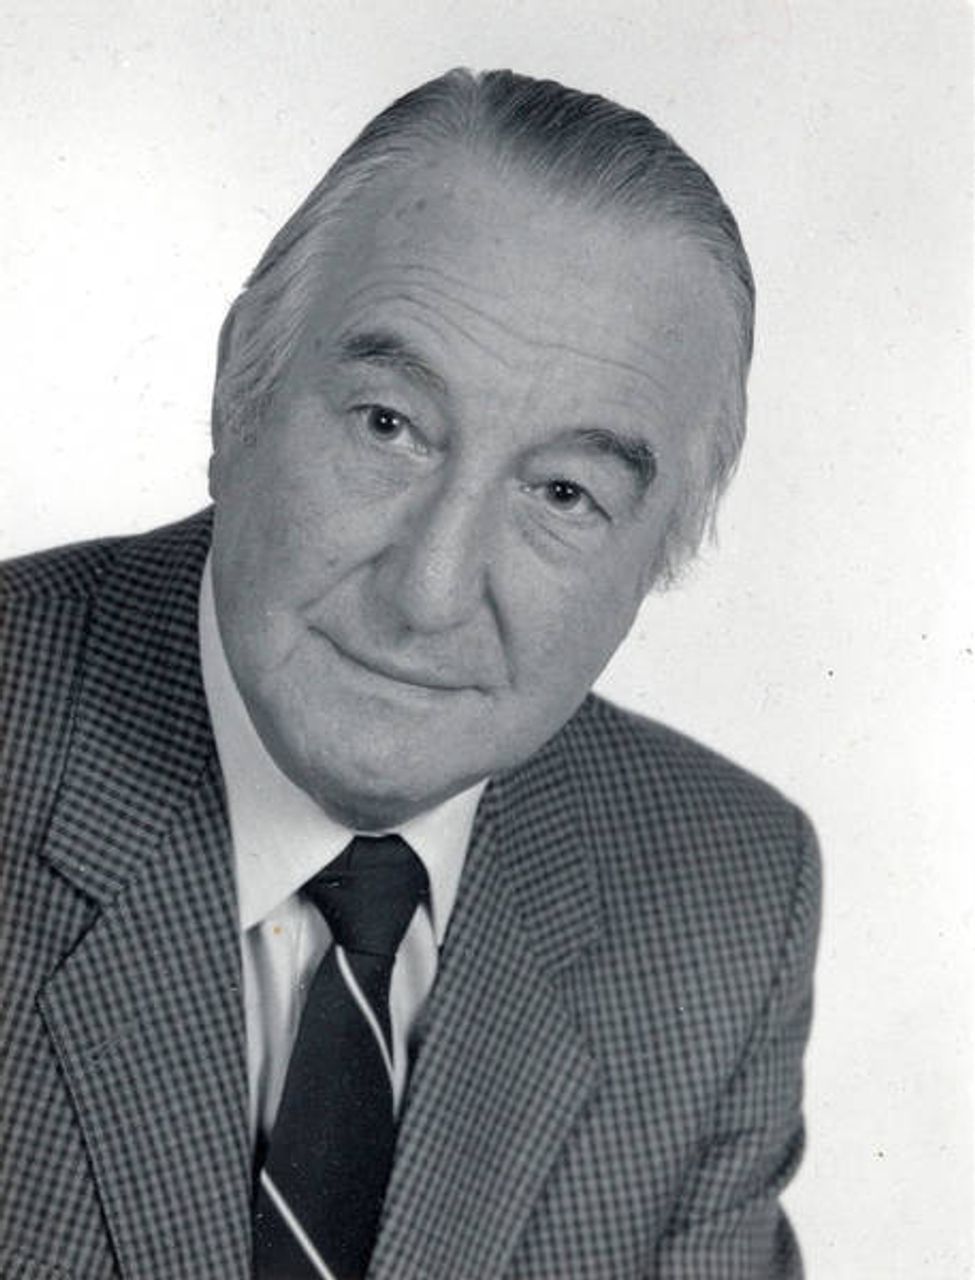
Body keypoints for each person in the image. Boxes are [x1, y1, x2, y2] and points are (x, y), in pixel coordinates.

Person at [0, 68, 821, 1279]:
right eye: (389, 424)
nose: (430, 591)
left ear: (662, 555)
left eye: (564, 494)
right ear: (238, 390)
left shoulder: (721, 901)